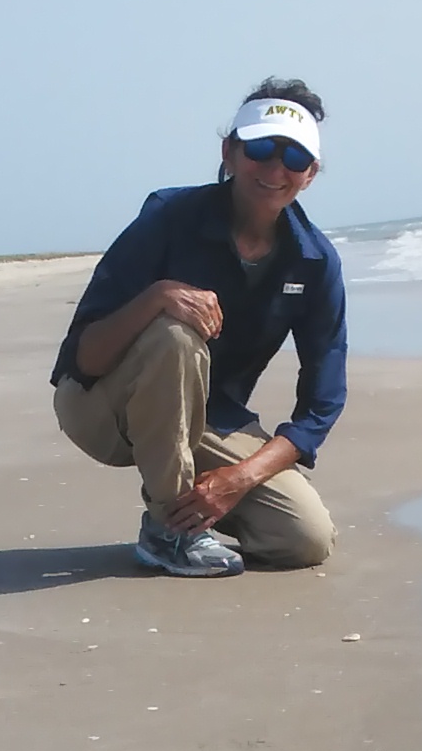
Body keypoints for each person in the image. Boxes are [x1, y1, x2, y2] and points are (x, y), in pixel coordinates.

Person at [51, 79, 347, 576]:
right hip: (100, 407)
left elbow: (322, 403)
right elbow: (85, 358)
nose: (275, 169)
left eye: (294, 158)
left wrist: (238, 479)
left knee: (304, 539)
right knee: (174, 334)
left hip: (208, 420)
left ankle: (189, 514)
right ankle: (170, 529)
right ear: (229, 151)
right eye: (261, 149)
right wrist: (156, 297)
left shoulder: (315, 261)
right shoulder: (169, 217)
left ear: (311, 174)